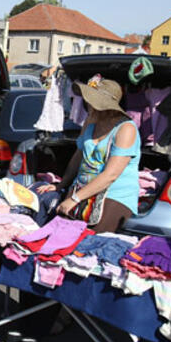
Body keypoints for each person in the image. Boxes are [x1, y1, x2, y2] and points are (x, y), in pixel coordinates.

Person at [36, 75, 141, 233]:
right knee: (59, 236)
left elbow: (111, 175)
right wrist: (61, 185)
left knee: (88, 241)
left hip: (113, 194)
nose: (88, 105)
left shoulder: (126, 129)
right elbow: (79, 156)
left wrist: (75, 199)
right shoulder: (90, 122)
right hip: (81, 189)